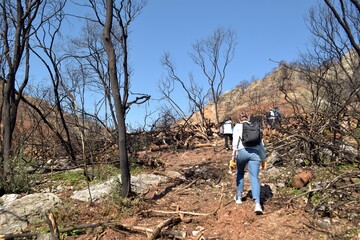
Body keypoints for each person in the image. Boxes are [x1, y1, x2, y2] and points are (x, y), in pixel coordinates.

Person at [231, 113, 266, 214]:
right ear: (249, 119)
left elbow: (235, 143)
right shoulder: (256, 127)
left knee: (240, 173)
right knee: (254, 177)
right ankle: (258, 204)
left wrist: (233, 158)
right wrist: (263, 159)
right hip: (255, 154)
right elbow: (261, 145)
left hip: (242, 152)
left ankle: (239, 197)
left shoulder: (238, 126)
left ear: (239, 119)